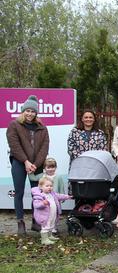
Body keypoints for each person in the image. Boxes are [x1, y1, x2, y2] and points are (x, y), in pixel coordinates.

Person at [7, 95, 50, 234]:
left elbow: (44, 148)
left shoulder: (42, 128)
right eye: (27, 111)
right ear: (23, 111)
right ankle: (20, 222)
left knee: (37, 194)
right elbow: (14, 145)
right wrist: (25, 161)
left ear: (36, 113)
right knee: (19, 192)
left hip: (36, 165)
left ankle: (36, 221)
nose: (30, 114)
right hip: (19, 163)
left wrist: (35, 164)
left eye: (33, 111)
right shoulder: (14, 125)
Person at [31, 176, 71, 245]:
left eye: (51, 186)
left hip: (52, 214)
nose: (49, 187)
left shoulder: (52, 194)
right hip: (45, 216)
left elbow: (59, 196)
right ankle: (44, 239)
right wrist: (43, 203)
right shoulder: (39, 196)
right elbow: (36, 205)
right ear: (41, 187)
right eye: (47, 186)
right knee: (45, 227)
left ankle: (49, 236)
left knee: (51, 225)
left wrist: (67, 197)